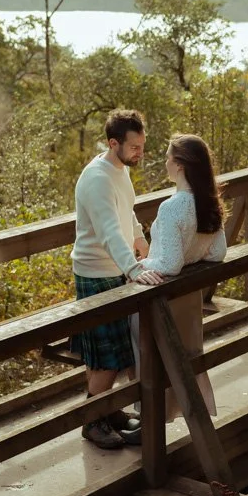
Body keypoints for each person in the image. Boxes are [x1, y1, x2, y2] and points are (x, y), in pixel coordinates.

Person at [72, 109, 163, 449]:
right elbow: (109, 233)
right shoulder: (97, 178)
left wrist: (139, 236)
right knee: (106, 357)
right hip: (97, 273)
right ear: (114, 143)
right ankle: (91, 422)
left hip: (117, 270)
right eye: (135, 147)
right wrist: (136, 270)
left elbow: (126, 212)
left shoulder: (120, 169)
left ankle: (108, 411)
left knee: (117, 351)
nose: (141, 152)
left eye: (143, 145)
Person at [134, 134, 228, 422]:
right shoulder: (208, 202)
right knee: (188, 357)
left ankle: (150, 424)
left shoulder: (173, 206)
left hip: (163, 299)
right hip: (189, 298)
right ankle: (193, 415)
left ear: (181, 166)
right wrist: (191, 256)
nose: (164, 162)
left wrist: (138, 265)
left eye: (167, 157)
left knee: (154, 359)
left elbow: (171, 264)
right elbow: (217, 252)